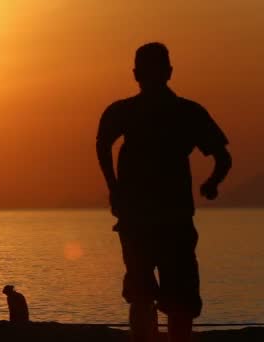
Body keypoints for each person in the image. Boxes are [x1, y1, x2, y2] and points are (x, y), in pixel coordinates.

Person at [96, 42, 232, 342]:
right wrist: (114, 188)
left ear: (136, 74)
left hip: (166, 220)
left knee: (166, 297)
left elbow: (223, 157)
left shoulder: (182, 112)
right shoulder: (165, 112)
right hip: (148, 220)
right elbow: (102, 144)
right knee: (151, 295)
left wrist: (213, 182)